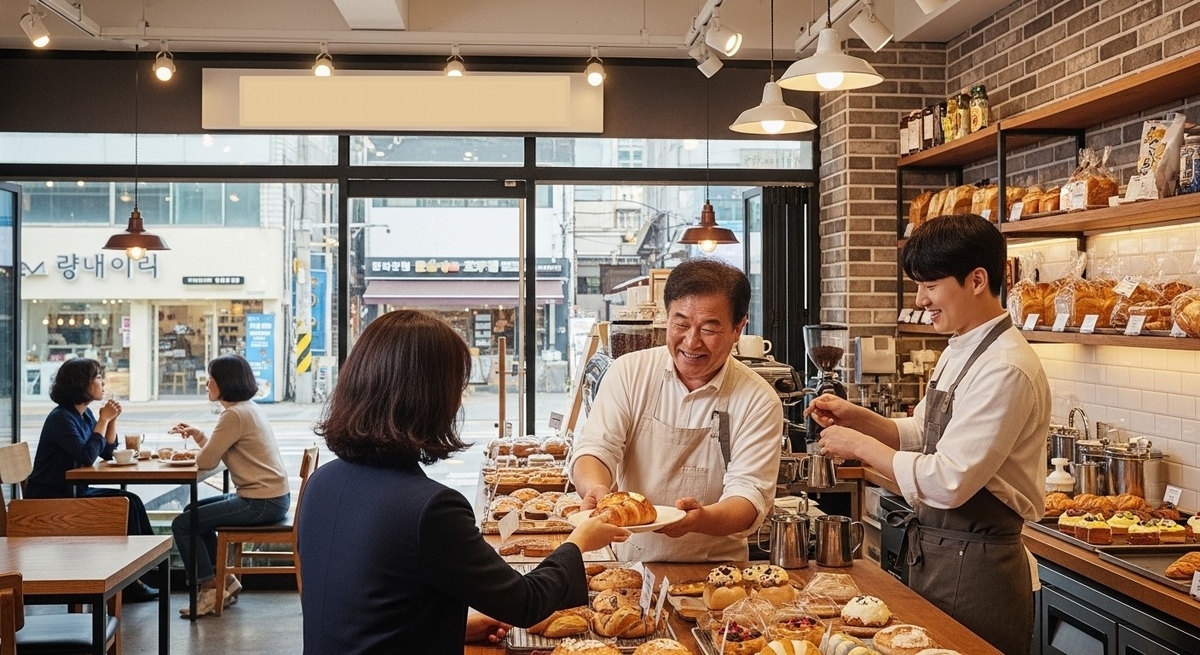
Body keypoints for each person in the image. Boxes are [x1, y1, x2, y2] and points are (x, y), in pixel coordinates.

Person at [297, 310, 629, 655]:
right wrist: (577, 543)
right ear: (430, 398)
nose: (459, 400)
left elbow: (363, 608)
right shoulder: (430, 509)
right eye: (457, 386)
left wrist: (449, 626)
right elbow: (525, 602)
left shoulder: (323, 482)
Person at [805, 213, 1050, 655]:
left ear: (977, 280)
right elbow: (924, 434)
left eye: (930, 286)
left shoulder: (1005, 367)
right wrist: (857, 416)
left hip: (978, 569)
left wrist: (859, 447)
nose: (921, 299)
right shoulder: (962, 347)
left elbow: (948, 479)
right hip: (940, 553)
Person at [570, 258, 784, 562]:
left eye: (709, 328)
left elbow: (749, 496)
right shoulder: (630, 372)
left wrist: (702, 520)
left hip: (714, 572)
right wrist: (596, 489)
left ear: (738, 329)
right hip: (629, 565)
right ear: (666, 317)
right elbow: (596, 449)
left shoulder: (758, 400)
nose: (691, 341)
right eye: (681, 324)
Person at [26, 357, 160, 602]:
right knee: (125, 505)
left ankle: (143, 574)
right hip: (52, 499)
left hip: (74, 492)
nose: (103, 382)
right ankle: (133, 582)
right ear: (82, 384)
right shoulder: (61, 418)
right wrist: (103, 420)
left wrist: (111, 420)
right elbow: (87, 456)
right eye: (98, 377)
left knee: (132, 501)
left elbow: (107, 452)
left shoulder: (84, 415)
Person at [169, 354, 291, 618]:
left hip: (260, 502)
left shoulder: (234, 415)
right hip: (272, 497)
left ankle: (210, 588)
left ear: (224, 382)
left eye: (210, 379)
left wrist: (198, 449)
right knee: (192, 511)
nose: (206, 385)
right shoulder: (248, 408)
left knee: (183, 524)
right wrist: (200, 436)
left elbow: (208, 460)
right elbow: (219, 453)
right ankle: (223, 581)